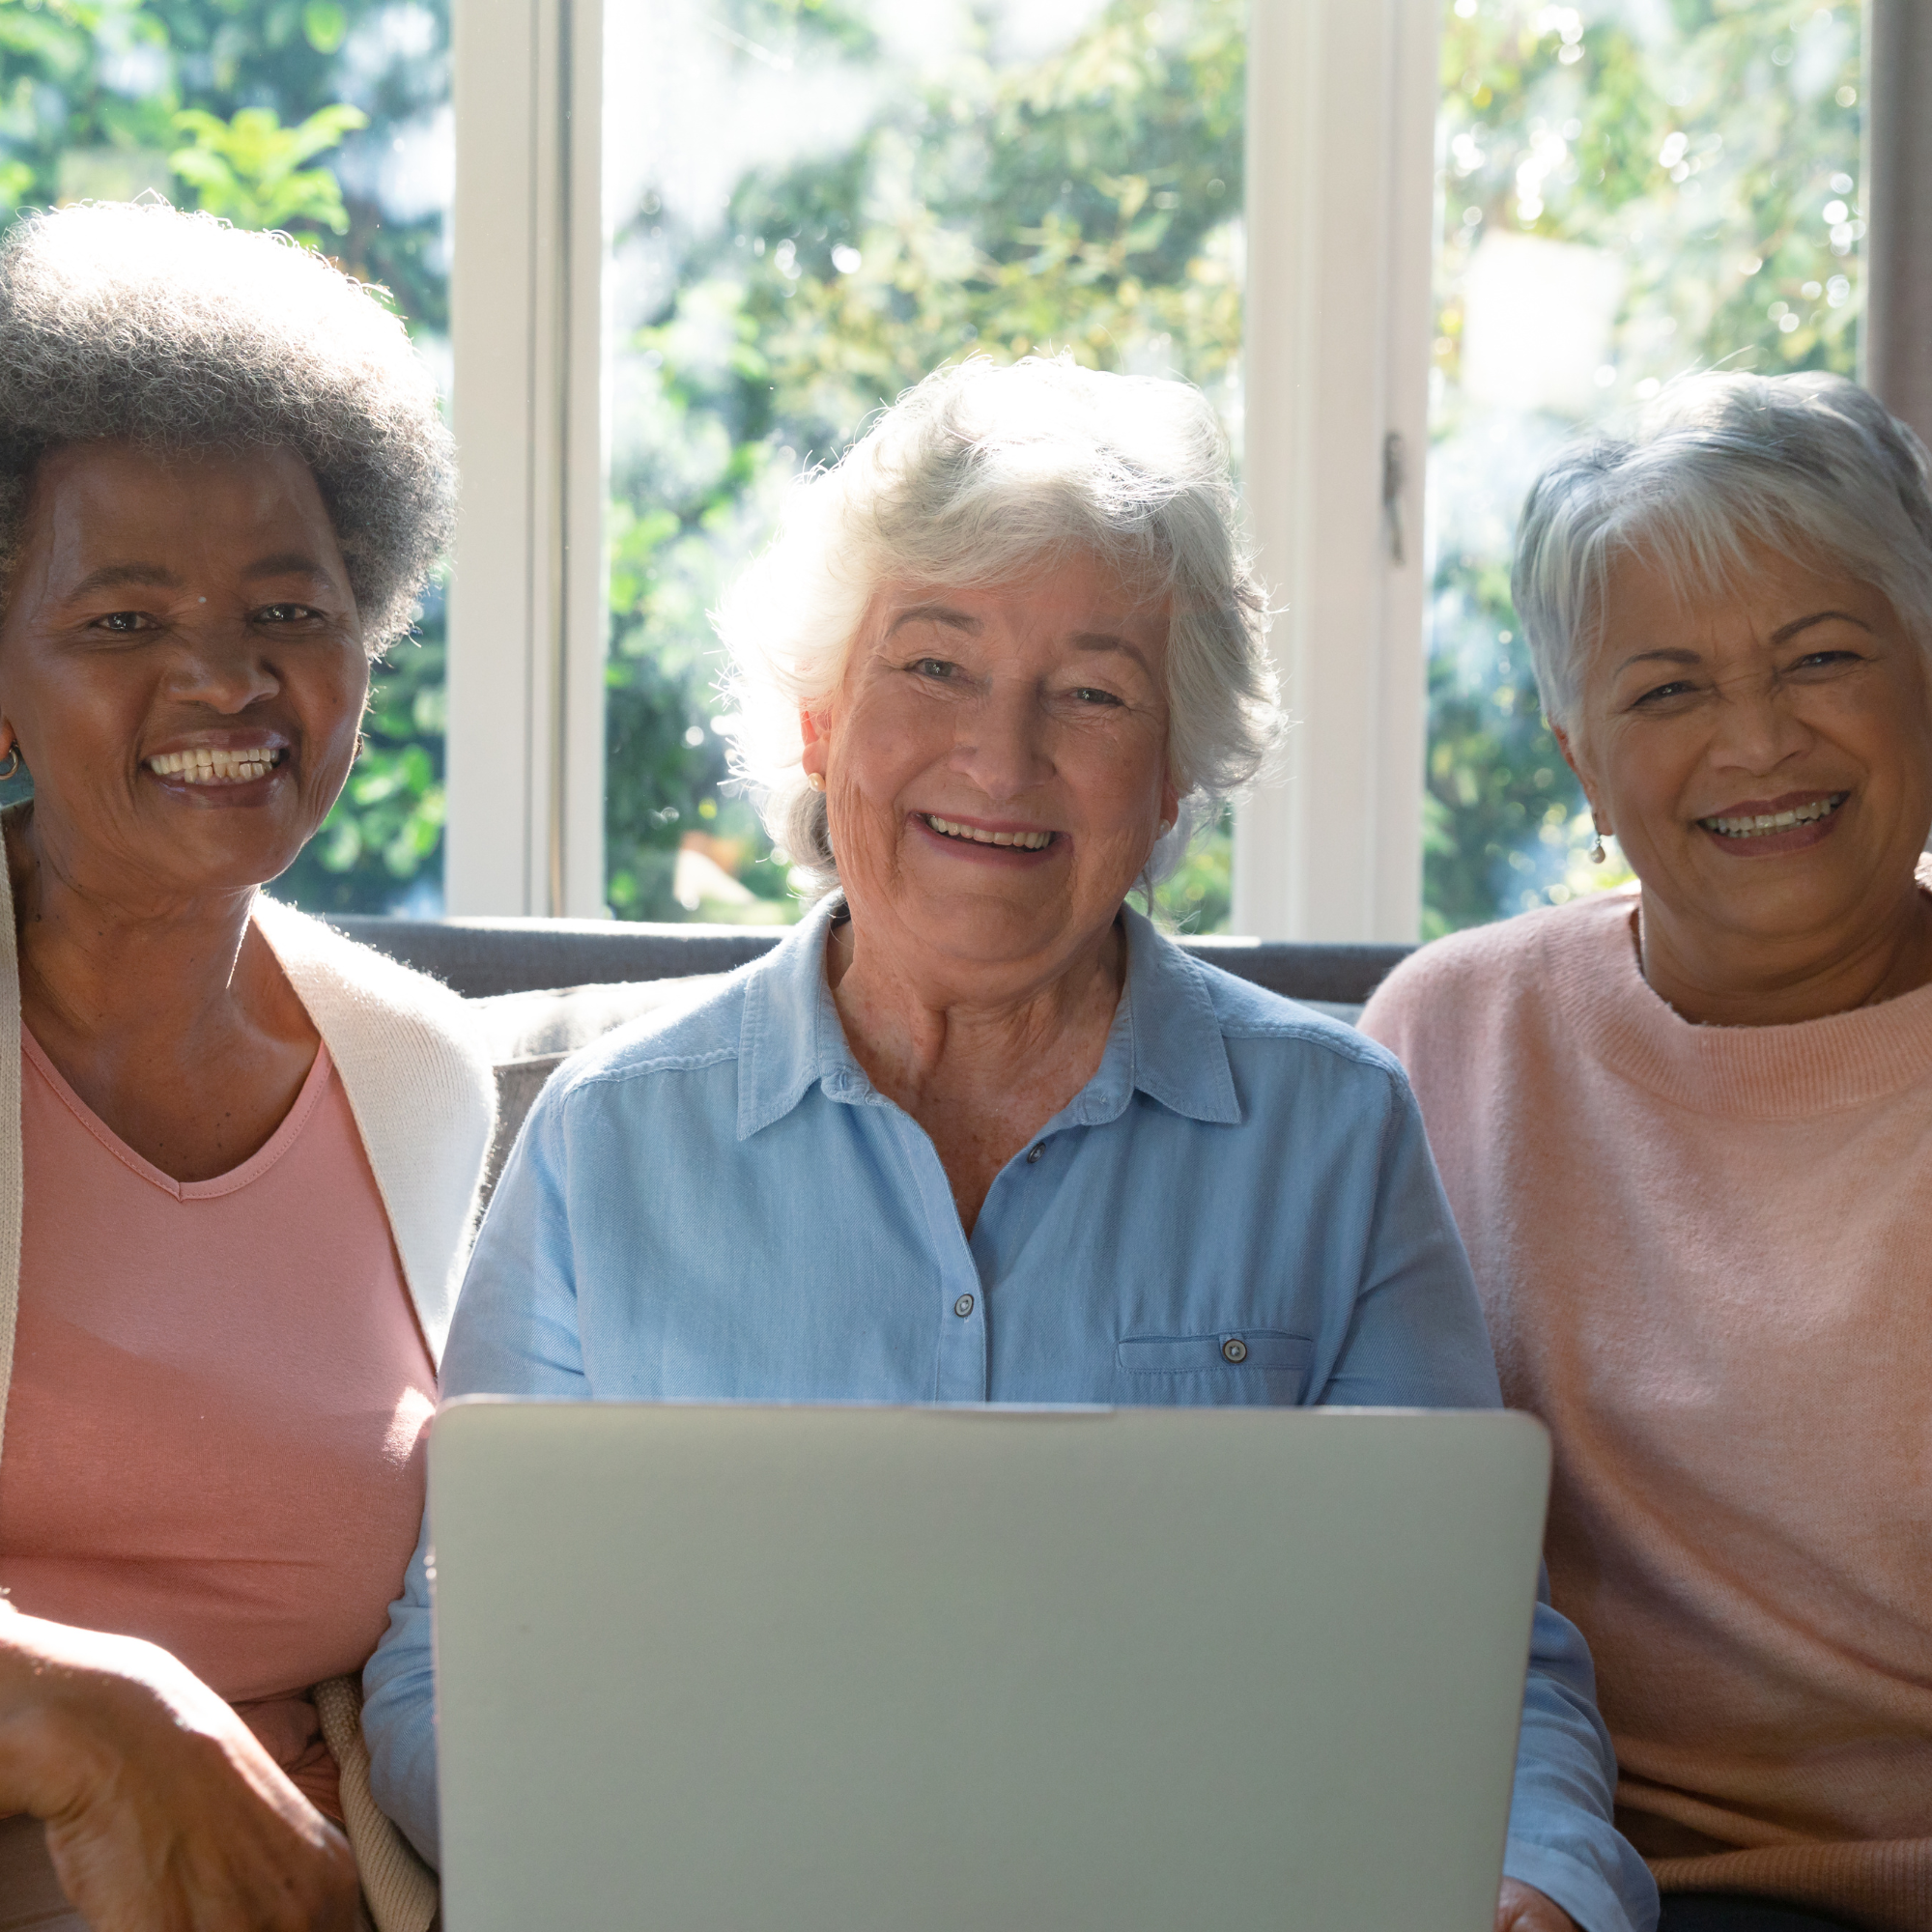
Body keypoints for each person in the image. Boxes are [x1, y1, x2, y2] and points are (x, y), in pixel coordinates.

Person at [364, 355, 1657, 1932]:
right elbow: (451, 1658)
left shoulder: (1334, 1131)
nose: (1000, 756)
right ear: (822, 722)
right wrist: (661, 1841)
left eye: (1095, 690)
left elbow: (1470, 1663)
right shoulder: (606, 1140)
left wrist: (1545, 1889)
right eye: (935, 666)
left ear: (1173, 770)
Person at [1360, 372, 1932, 1932]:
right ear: (1577, 754)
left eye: (1822, 658)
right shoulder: (1442, 1041)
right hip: (1544, 1880)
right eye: (1668, 690)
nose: (1757, 741)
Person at [0, 203, 496, 1932]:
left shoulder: (419, 1074)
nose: (226, 675)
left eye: (288, 605)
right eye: (123, 622)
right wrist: (99, 1718)